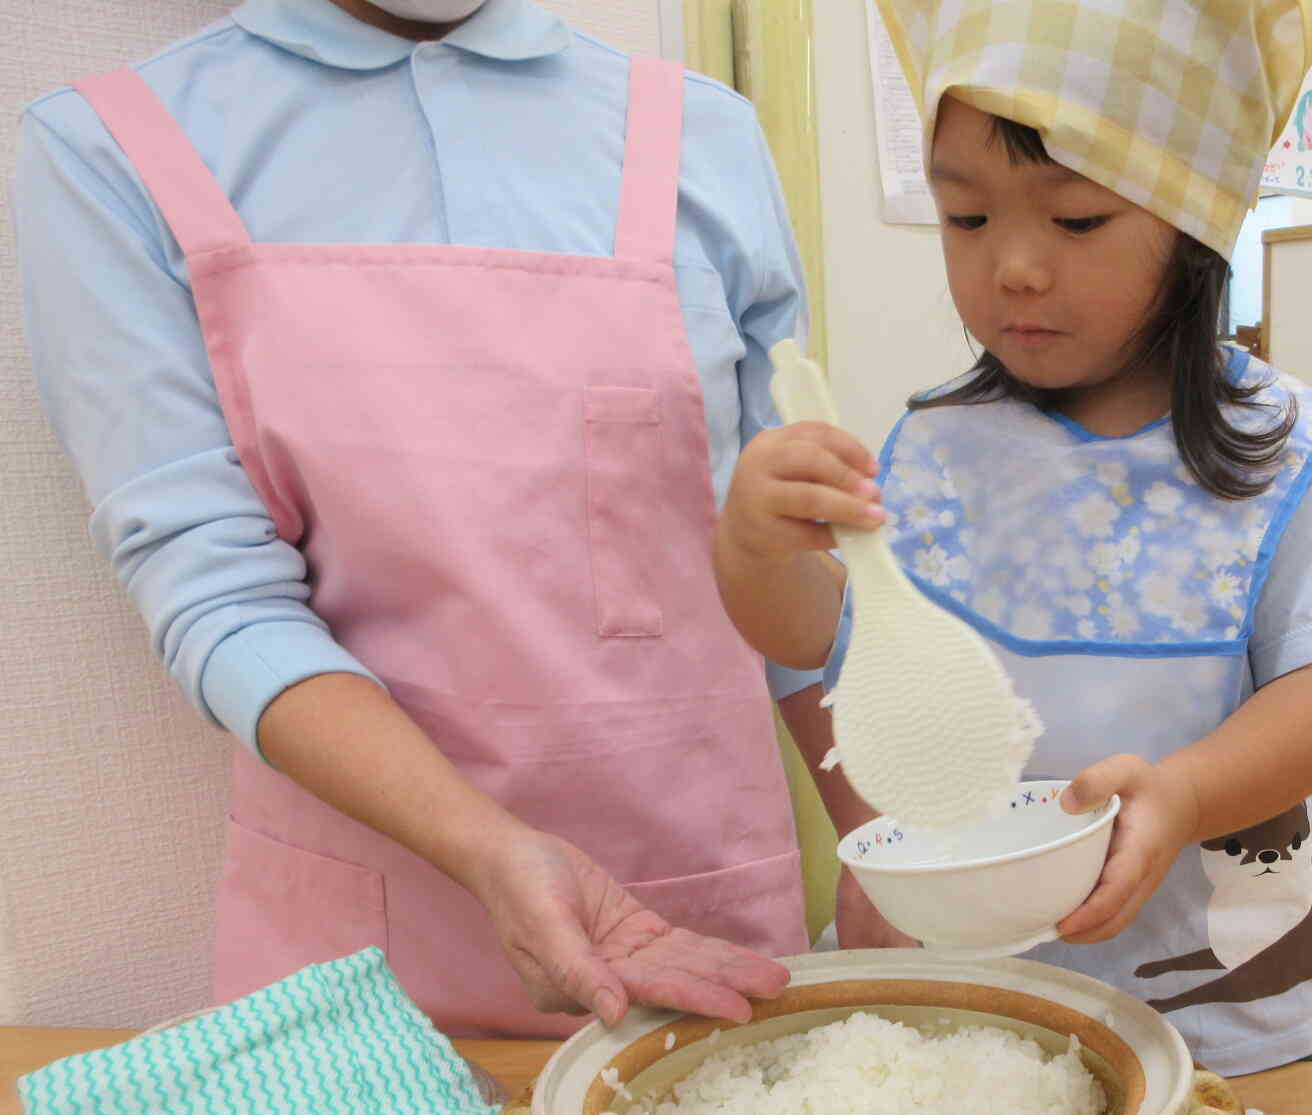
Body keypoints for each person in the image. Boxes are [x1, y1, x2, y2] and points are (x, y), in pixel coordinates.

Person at [15, 0, 899, 1039]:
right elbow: (218, 602)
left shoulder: (700, 133)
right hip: (359, 975)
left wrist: (878, 843)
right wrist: (491, 852)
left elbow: (786, 549)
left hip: (702, 920)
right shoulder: (116, 148)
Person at [714, 0, 1312, 1075]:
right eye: (967, 219)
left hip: (1218, 1016)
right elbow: (825, 644)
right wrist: (757, 550)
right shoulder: (938, 441)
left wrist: (1182, 794)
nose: (1014, 268)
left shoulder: (1280, 451)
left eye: (1075, 220)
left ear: (1191, 225)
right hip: (974, 996)